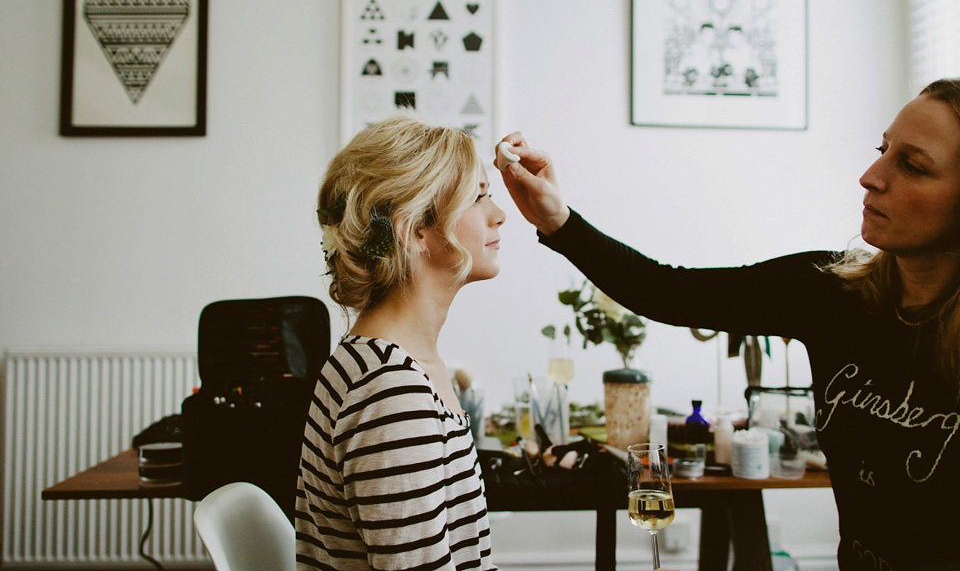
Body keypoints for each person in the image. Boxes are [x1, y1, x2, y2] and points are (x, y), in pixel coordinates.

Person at [495, 79, 960, 571]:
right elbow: (664, 290)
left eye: (911, 165)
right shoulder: (832, 289)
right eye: (881, 150)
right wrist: (557, 219)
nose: (870, 176)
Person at [296, 115, 504, 570]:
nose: (499, 214)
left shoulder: (389, 361)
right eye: (478, 198)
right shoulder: (391, 391)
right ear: (415, 231)